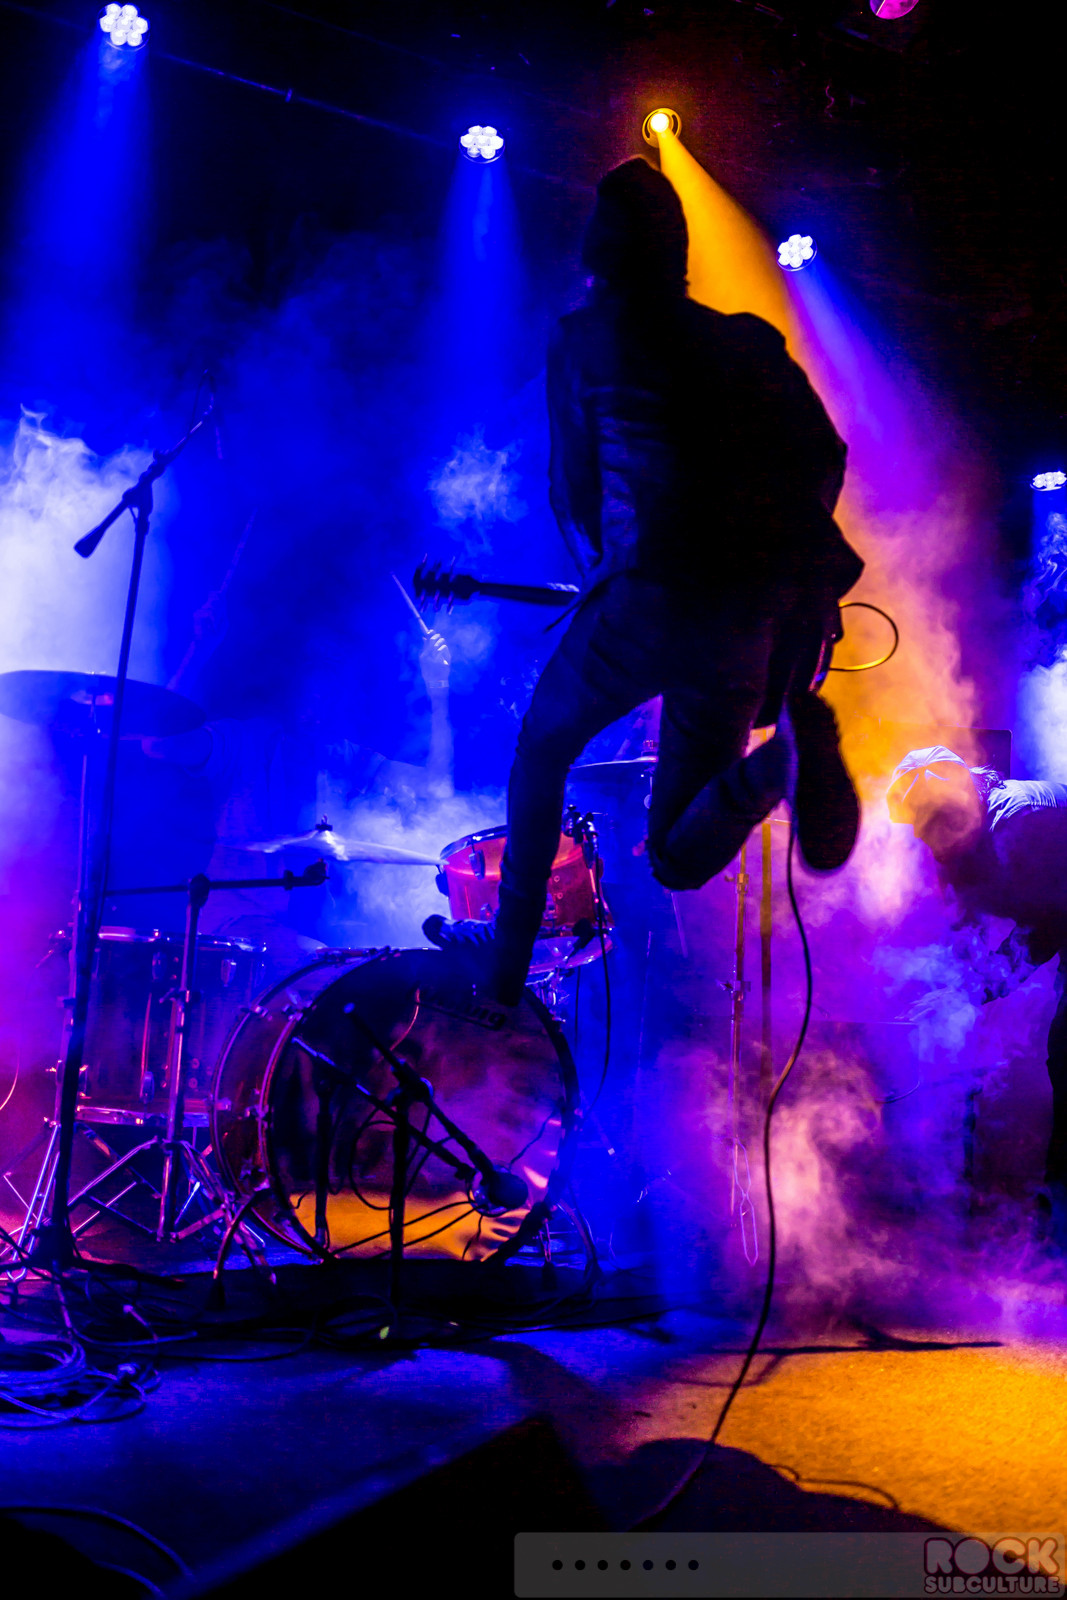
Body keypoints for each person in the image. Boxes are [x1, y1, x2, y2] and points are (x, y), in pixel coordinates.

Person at [425, 156, 863, 1003]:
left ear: (600, 248)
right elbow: (825, 456)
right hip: (744, 618)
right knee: (674, 855)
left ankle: (505, 970)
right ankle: (778, 766)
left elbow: (572, 493)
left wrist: (610, 575)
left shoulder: (584, 338)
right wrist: (792, 591)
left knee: (541, 752)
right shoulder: (748, 342)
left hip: (645, 597)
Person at [886, 745, 1067, 1239]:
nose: (921, 837)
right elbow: (964, 922)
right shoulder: (965, 839)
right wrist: (948, 987)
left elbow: (1045, 927)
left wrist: (971, 991)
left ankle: (1058, 1230)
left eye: (927, 822)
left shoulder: (1022, 823)